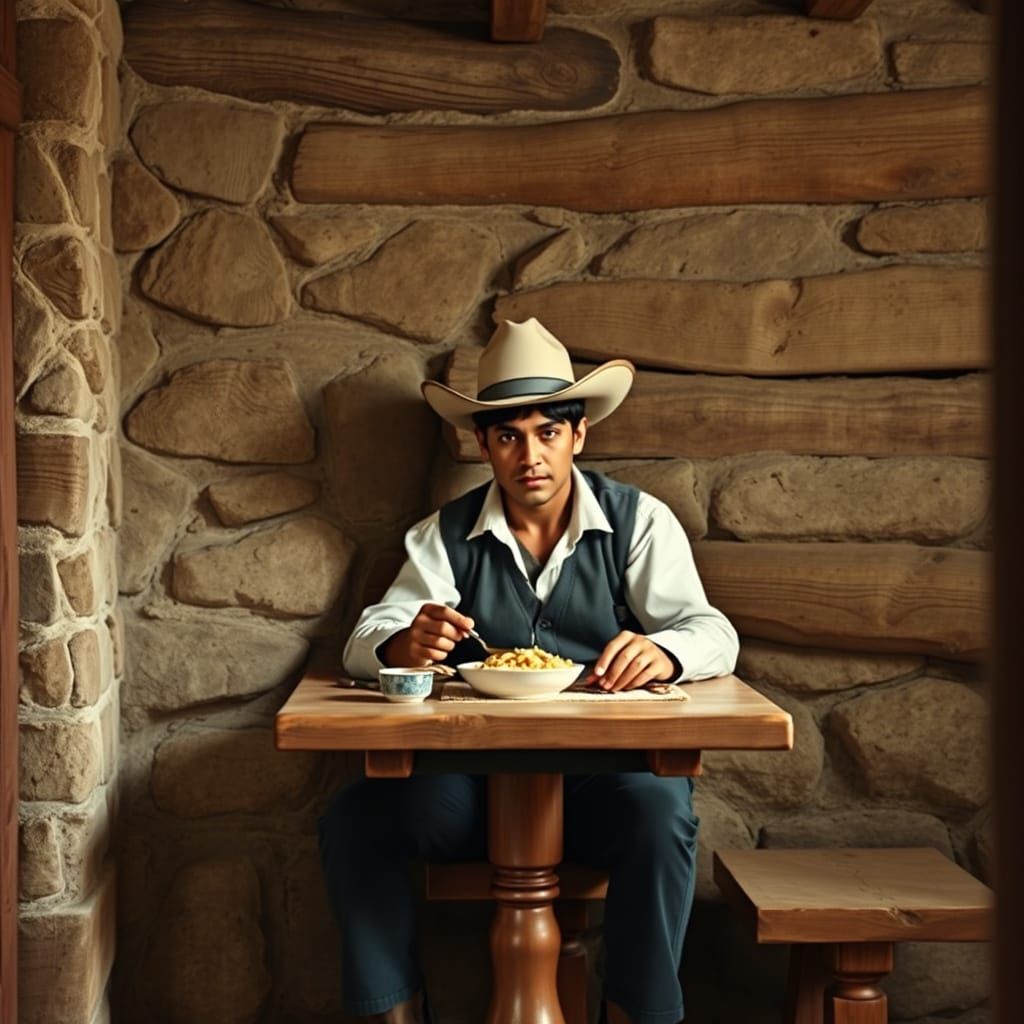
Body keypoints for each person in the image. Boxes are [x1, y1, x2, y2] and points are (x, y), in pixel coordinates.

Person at [319, 318, 739, 1024]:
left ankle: (639, 1014)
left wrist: (666, 652)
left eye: (548, 432)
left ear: (580, 435)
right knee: (358, 818)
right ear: (482, 443)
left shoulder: (638, 522)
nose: (530, 456)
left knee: (663, 812)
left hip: (602, 785)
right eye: (509, 436)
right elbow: (368, 638)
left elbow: (712, 631)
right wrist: (403, 645)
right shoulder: (442, 535)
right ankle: (394, 1012)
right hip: (469, 792)